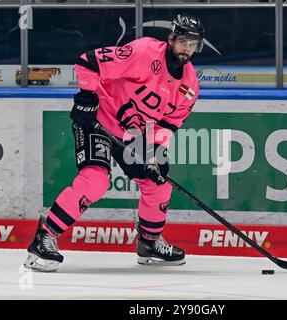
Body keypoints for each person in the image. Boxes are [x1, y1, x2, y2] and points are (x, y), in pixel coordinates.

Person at [23, 14, 204, 272]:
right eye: (183, 41)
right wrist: (87, 96)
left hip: (134, 135)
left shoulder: (190, 86)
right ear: (171, 38)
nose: (187, 48)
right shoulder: (144, 52)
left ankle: (149, 244)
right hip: (98, 120)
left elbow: (169, 124)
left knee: (158, 184)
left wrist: (155, 151)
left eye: (193, 43)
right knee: (95, 180)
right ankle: (45, 237)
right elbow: (88, 61)